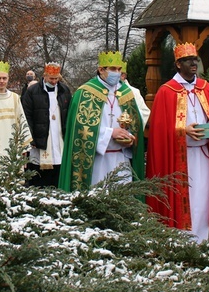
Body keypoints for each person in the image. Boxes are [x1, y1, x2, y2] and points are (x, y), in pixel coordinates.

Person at [145, 43, 209, 243]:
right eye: (188, 60)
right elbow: (158, 132)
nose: (194, 63)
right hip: (178, 160)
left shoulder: (205, 88)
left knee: (202, 200)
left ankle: (200, 244)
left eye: (195, 59)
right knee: (185, 202)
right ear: (178, 64)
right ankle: (180, 245)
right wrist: (182, 131)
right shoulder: (166, 92)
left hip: (202, 155)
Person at [58, 51, 145, 191]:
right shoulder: (85, 93)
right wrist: (111, 133)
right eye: (112, 69)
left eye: (119, 69)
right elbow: (79, 132)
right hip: (97, 162)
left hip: (122, 160)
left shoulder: (127, 93)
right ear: (101, 70)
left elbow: (136, 127)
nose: (116, 73)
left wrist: (130, 139)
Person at [21, 62, 72, 187]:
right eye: (51, 78)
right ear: (44, 76)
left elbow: (69, 112)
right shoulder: (32, 91)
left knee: (58, 169)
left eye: (56, 78)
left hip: (59, 136)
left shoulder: (64, 90)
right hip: (40, 138)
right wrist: (30, 138)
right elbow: (26, 116)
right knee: (39, 174)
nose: (54, 81)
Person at [120, 62, 151, 127]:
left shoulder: (134, 92)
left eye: (119, 73)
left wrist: (131, 117)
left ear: (124, 76)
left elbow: (145, 112)